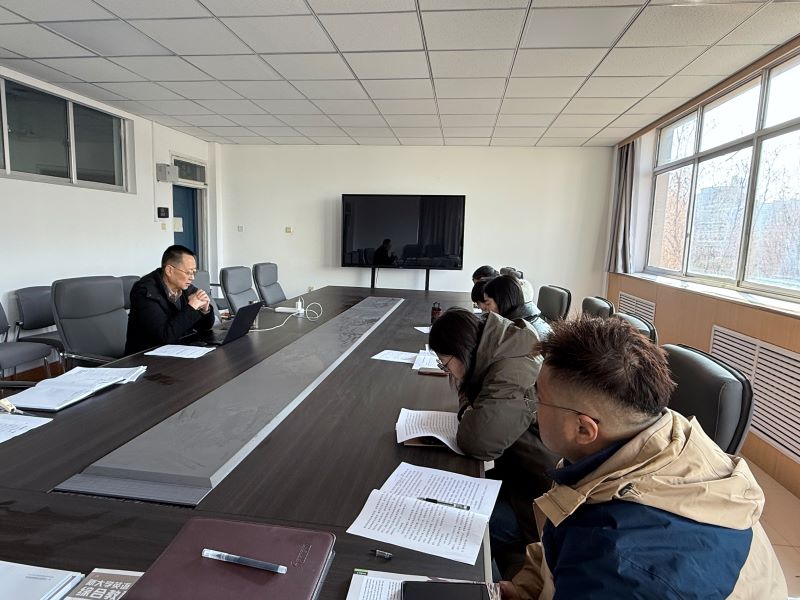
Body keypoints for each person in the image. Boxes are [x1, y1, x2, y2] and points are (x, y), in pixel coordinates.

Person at [500, 317, 787, 600]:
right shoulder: (663, 435)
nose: (534, 405)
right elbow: (558, 537)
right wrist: (526, 589)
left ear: (584, 429)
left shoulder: (615, 564)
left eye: (538, 397)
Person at [429, 308, 558, 554]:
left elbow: (478, 442)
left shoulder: (511, 372)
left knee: (448, 523)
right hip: (518, 476)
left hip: (535, 503)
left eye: (445, 365)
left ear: (462, 352)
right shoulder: (503, 347)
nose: (449, 374)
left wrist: (467, 405)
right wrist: (471, 405)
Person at [125, 245, 215, 354]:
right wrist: (192, 308)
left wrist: (205, 310)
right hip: (145, 356)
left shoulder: (186, 288)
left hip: (179, 350)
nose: (192, 277)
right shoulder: (145, 291)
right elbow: (165, 336)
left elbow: (205, 327)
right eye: (188, 272)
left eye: (194, 272)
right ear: (169, 270)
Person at [484, 275, 550, 340]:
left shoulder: (523, 333)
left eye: (488, 303)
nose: (486, 309)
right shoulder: (525, 320)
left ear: (503, 301)